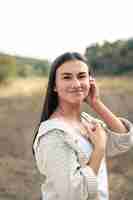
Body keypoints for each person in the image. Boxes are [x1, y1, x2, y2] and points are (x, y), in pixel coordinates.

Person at [32, 52, 133, 200]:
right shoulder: (53, 135)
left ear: (90, 81)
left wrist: (96, 103)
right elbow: (74, 195)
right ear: (54, 86)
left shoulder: (86, 121)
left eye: (81, 76)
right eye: (67, 77)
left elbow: (124, 142)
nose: (76, 84)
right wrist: (99, 149)